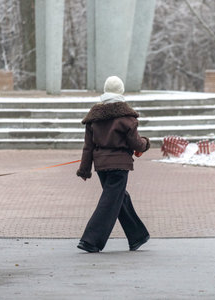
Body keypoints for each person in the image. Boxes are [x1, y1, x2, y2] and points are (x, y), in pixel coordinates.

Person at [76, 76, 151, 253]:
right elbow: (136, 144)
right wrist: (146, 143)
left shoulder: (94, 117)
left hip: (101, 166)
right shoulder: (127, 117)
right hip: (119, 166)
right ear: (121, 91)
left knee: (119, 198)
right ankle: (90, 240)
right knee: (110, 202)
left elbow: (88, 147)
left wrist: (85, 170)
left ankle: (138, 236)